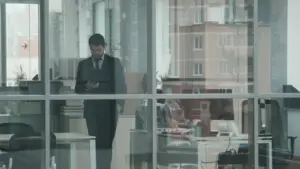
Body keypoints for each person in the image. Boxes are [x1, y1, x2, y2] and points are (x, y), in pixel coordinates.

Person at [75, 34, 127, 169]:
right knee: (95, 144)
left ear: (104, 47)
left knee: (107, 145)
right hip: (92, 110)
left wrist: (120, 105)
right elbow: (78, 88)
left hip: (110, 109)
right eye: (93, 50)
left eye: (98, 50)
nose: (96, 53)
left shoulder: (114, 63)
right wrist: (87, 86)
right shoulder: (83, 64)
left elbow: (121, 86)